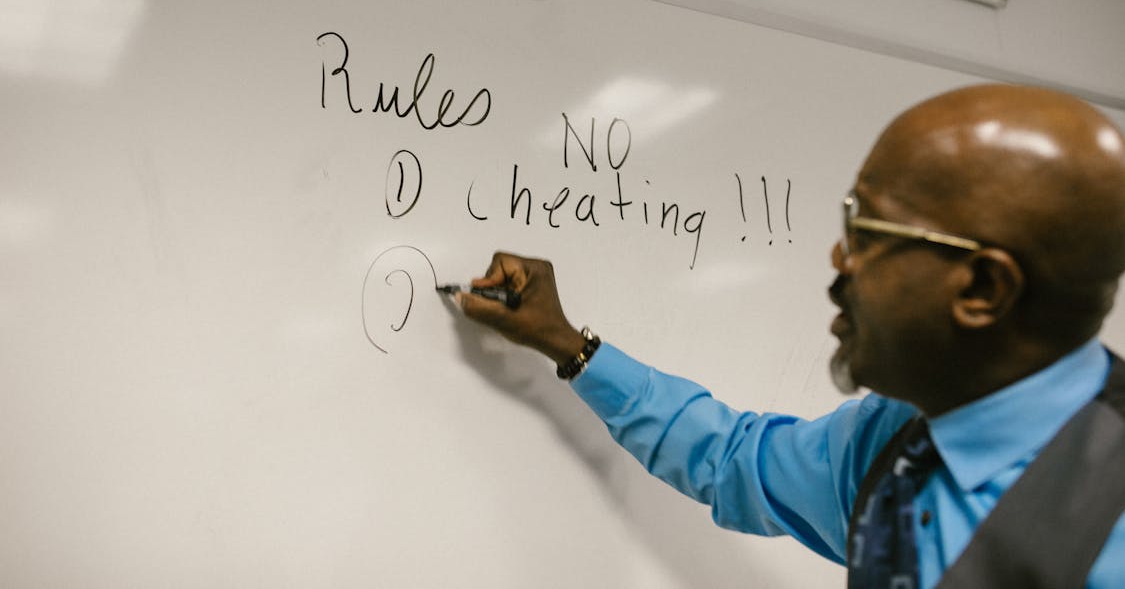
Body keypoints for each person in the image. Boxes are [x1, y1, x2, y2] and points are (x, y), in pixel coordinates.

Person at [454, 83, 1125, 588]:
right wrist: (567, 345)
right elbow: (733, 460)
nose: (838, 261)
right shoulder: (892, 443)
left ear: (982, 289)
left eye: (866, 232)